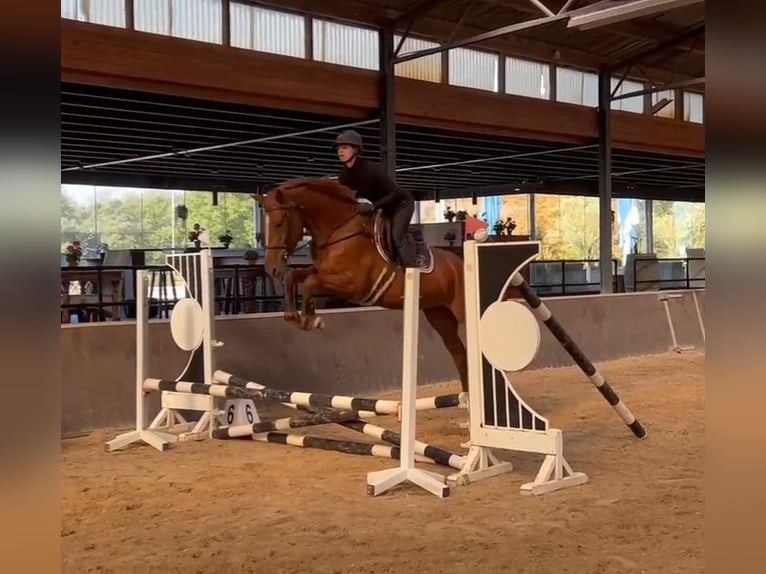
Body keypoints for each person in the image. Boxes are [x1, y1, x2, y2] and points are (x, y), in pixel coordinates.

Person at [334, 129, 418, 267]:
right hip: (380, 207)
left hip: (400, 203)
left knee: (396, 236)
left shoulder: (371, 169)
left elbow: (395, 192)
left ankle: (412, 270)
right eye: (338, 148)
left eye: (344, 148)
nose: (340, 151)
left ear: (355, 150)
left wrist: (373, 206)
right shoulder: (343, 176)